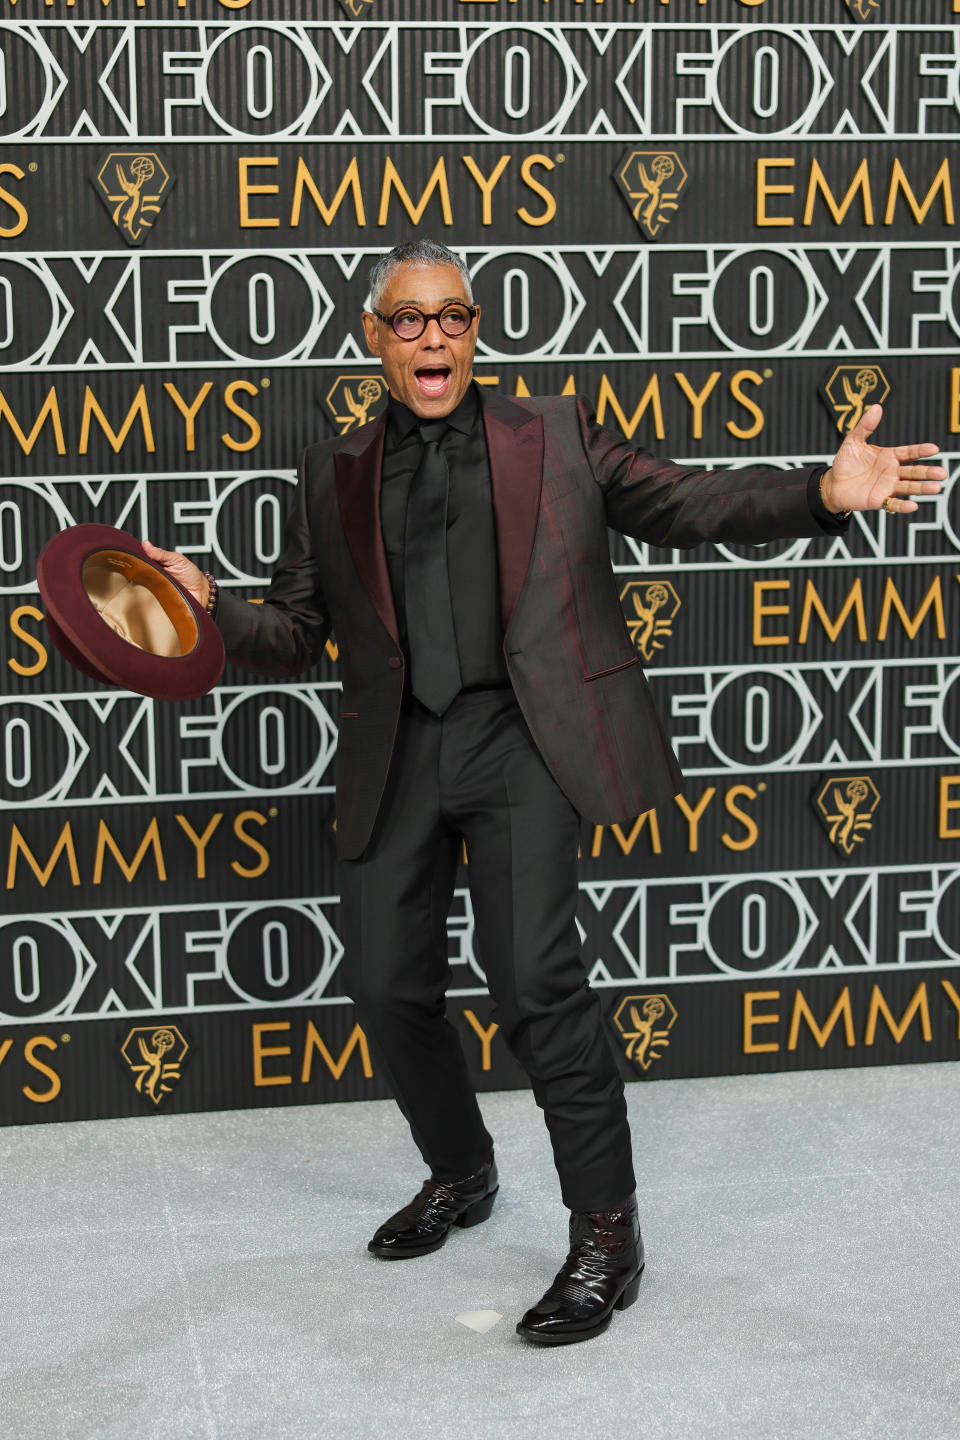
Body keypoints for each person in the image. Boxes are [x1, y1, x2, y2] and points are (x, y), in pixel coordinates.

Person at [144, 239, 944, 1346]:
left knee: (534, 988)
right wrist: (206, 606)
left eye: (454, 317)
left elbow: (688, 503)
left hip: (521, 739)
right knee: (385, 988)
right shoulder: (335, 471)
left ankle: (608, 1235)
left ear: (476, 330)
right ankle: (462, 1174)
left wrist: (820, 492)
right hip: (401, 751)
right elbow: (295, 631)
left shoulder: (554, 434)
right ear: (374, 337)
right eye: (410, 320)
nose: (434, 337)